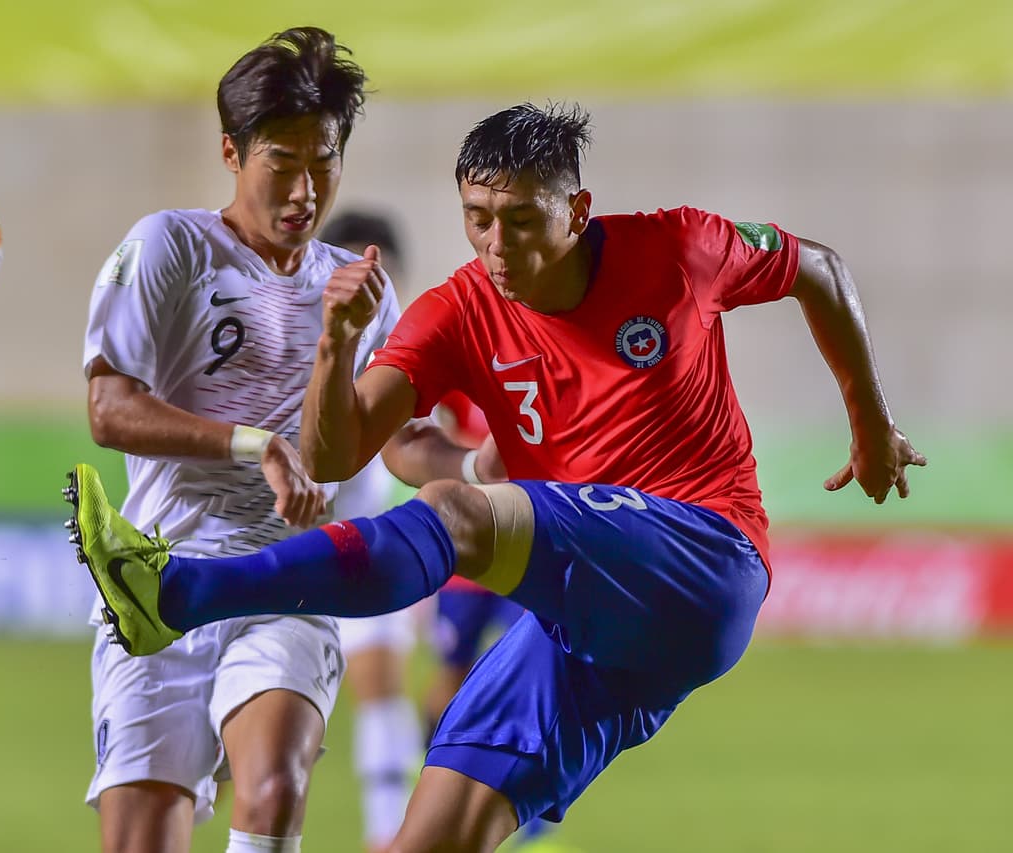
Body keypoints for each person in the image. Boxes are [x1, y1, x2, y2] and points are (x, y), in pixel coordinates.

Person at [66, 102, 926, 851]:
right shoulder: (460, 308)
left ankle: (180, 594)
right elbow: (337, 452)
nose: (495, 244)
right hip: (584, 623)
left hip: (706, 557)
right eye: (477, 217)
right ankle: (175, 596)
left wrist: (869, 420)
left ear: (577, 209)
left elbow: (818, 268)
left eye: (519, 219)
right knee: (427, 838)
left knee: (462, 515)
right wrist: (335, 340)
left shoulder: (679, 247)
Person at [76, 27, 477, 853]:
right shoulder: (171, 248)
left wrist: (476, 465)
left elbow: (395, 434)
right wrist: (253, 442)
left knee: (275, 785)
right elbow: (110, 407)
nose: (304, 188)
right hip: (159, 582)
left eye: (323, 160)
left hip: (289, 573)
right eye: (281, 161)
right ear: (231, 151)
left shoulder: (356, 286)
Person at [319, 211, 425, 853]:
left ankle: (388, 835)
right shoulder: (296, 343)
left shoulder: (407, 354)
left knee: (381, 685)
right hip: (279, 549)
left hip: (364, 546)